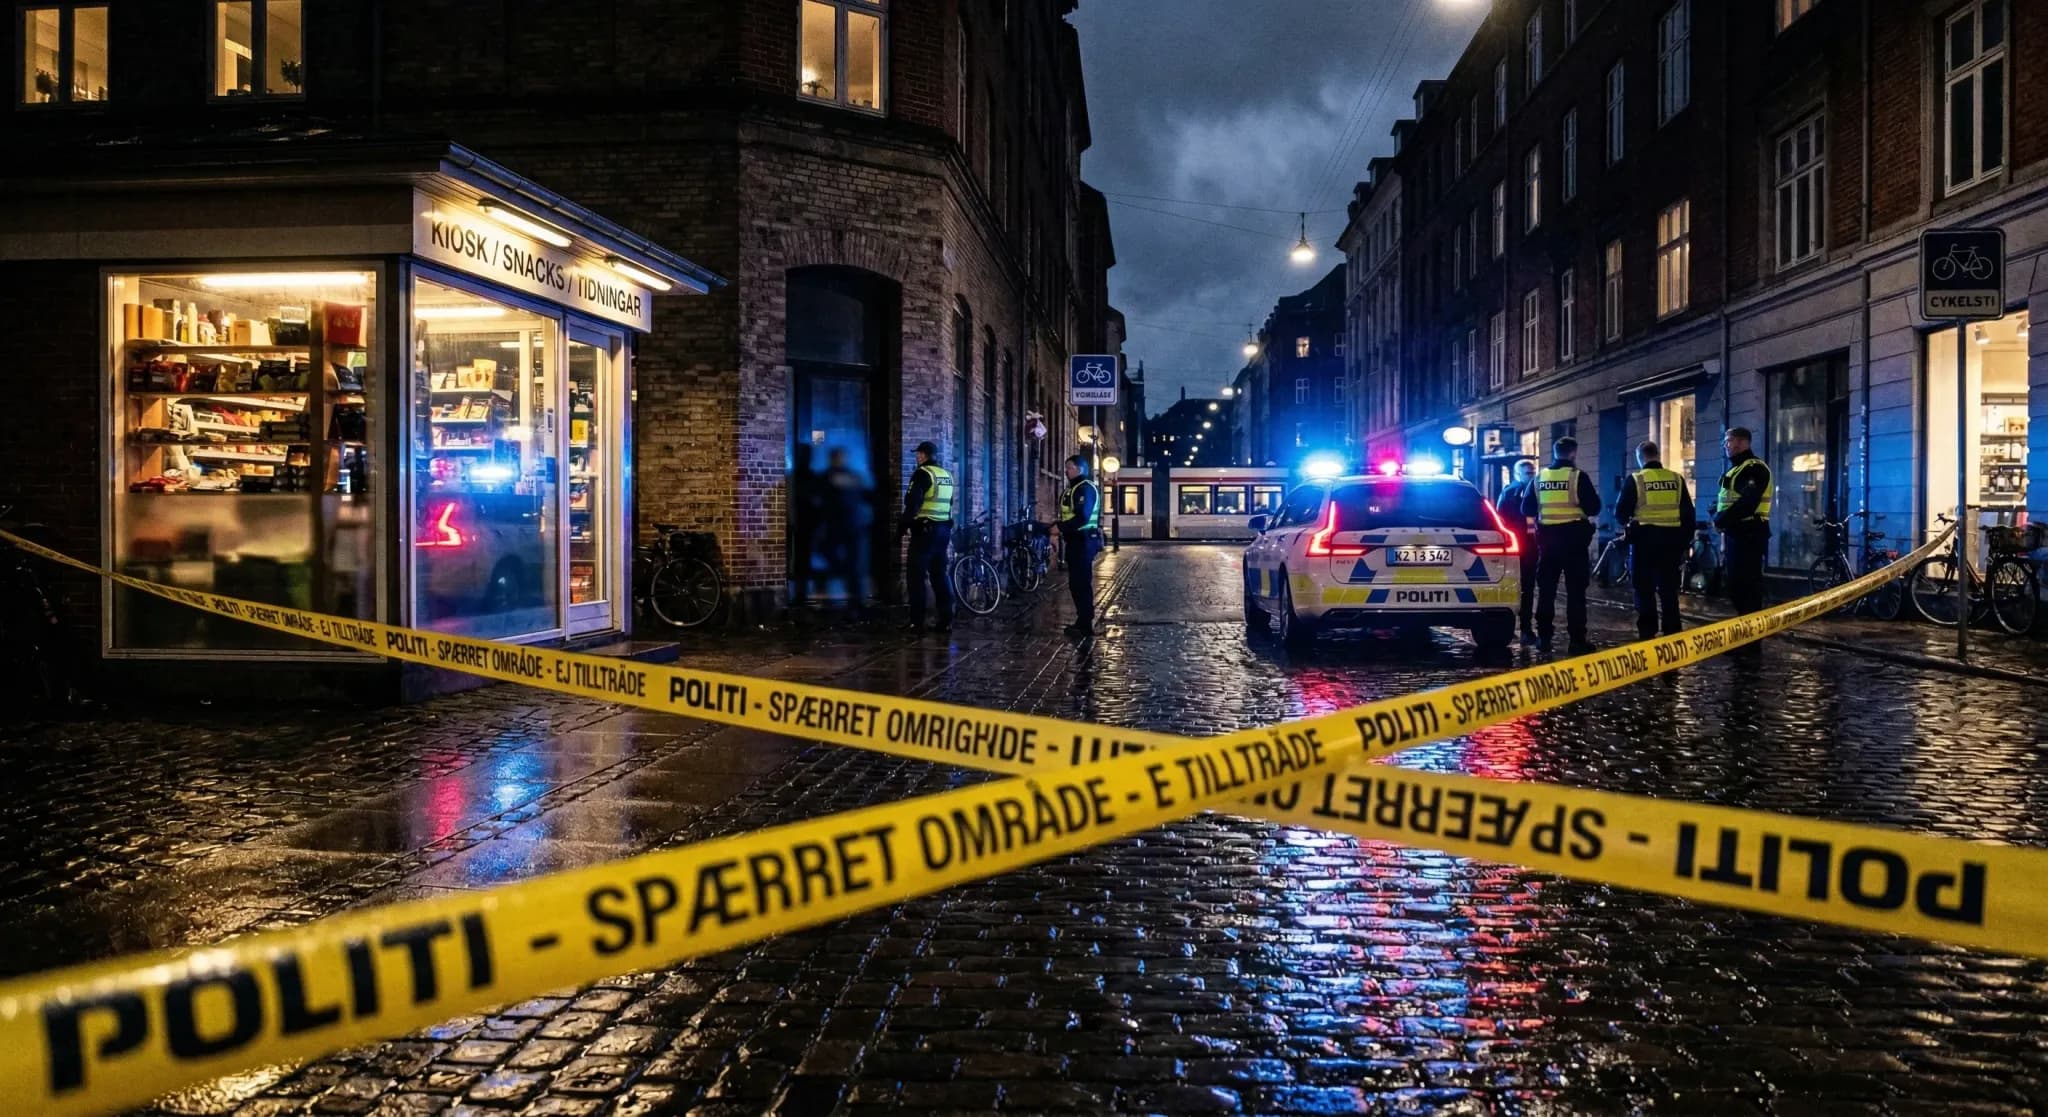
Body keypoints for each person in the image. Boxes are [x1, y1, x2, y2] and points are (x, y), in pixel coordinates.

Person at [1519, 436, 1602, 655]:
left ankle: (1544, 638)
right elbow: (1594, 508)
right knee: (1576, 592)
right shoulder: (1577, 477)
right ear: (1573, 453)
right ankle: (1577, 641)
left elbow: (1526, 508)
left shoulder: (1539, 477)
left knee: (1546, 590)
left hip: (1547, 542)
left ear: (1555, 453)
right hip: (1574, 541)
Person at [1615, 440, 1697, 640]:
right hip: (1671, 543)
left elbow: (1620, 513)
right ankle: (1672, 632)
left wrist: (1630, 524)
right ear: (1657, 455)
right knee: (1669, 589)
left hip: (1644, 542)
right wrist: (1684, 543)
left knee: (1644, 589)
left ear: (1640, 457)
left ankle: (1647, 632)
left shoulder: (1635, 479)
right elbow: (1688, 515)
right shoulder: (1676, 479)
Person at [1713, 427, 1773, 616]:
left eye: (1728, 441)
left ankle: (1751, 639)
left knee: (1747, 587)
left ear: (1740, 442)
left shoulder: (1753, 468)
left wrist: (1721, 519)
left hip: (1749, 532)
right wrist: (1717, 513)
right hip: (1737, 532)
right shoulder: (1737, 469)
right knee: (1736, 586)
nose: (1725, 446)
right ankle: (1745, 633)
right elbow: (1730, 498)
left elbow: (1747, 502)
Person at [899, 440, 954, 632]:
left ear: (923, 455)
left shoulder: (923, 473)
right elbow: (950, 503)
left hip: (925, 531)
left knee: (916, 576)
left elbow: (913, 502)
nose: (917, 457)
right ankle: (946, 620)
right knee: (939, 574)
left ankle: (917, 622)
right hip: (943, 531)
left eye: (918, 453)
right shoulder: (946, 475)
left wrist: (903, 526)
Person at [820, 447, 872, 617]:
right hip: (851, 525)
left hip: (844, 525)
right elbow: (867, 495)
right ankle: (855, 603)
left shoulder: (829, 476)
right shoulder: (852, 476)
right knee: (851, 564)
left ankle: (854, 603)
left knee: (849, 564)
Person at [1495, 458, 1542, 642]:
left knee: (1527, 588)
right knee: (1521, 588)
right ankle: (1520, 628)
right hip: (1520, 546)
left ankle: (1524, 629)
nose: (1531, 476)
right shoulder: (1512, 493)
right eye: (1528, 473)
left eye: (1533, 472)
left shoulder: (1527, 490)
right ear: (1518, 474)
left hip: (1528, 546)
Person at [1057, 454, 1104, 638]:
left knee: (1081, 583)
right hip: (1076, 540)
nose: (1066, 471)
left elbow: (1082, 517)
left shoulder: (1084, 489)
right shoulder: (1075, 487)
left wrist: (1060, 528)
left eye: (1069, 467)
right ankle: (1082, 620)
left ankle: (1085, 623)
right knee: (1076, 583)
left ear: (1080, 469)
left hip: (1083, 541)